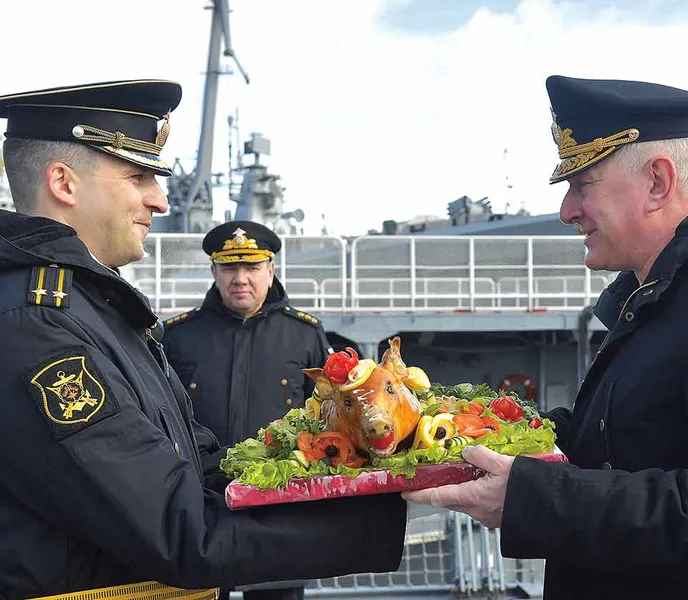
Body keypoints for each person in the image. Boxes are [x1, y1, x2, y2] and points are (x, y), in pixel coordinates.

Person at [0, 79, 407, 600]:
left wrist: (382, 469)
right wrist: (389, 510)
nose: (161, 199)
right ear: (64, 182)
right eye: (138, 175)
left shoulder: (94, 309)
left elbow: (203, 465)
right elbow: (179, 529)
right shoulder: (36, 323)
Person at [404, 75, 688, 599]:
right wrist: (479, 437)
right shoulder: (664, 295)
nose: (567, 211)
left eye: (582, 185)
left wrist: (533, 498)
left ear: (658, 182)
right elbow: (629, 445)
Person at [161, 220, 333, 600]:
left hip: (279, 506)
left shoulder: (304, 334)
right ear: (214, 272)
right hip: (202, 506)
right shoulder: (176, 336)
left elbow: (327, 421)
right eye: (230, 268)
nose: (241, 278)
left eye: (252, 267)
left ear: (270, 271)